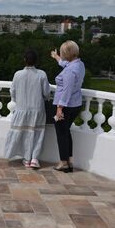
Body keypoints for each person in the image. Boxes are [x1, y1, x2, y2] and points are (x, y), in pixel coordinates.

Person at [4, 49, 51, 168]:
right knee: (37, 134)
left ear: (24, 60)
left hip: (21, 109)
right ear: (36, 61)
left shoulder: (18, 74)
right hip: (37, 109)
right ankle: (34, 158)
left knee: (22, 133)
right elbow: (46, 93)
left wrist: (19, 100)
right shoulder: (42, 74)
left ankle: (26, 158)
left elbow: (13, 92)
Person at [51, 40, 85, 173]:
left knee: (61, 134)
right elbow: (65, 64)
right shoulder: (79, 64)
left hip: (66, 105)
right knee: (66, 132)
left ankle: (63, 162)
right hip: (75, 104)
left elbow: (67, 89)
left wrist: (60, 108)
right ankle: (69, 161)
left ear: (66, 53)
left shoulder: (70, 71)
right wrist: (56, 57)